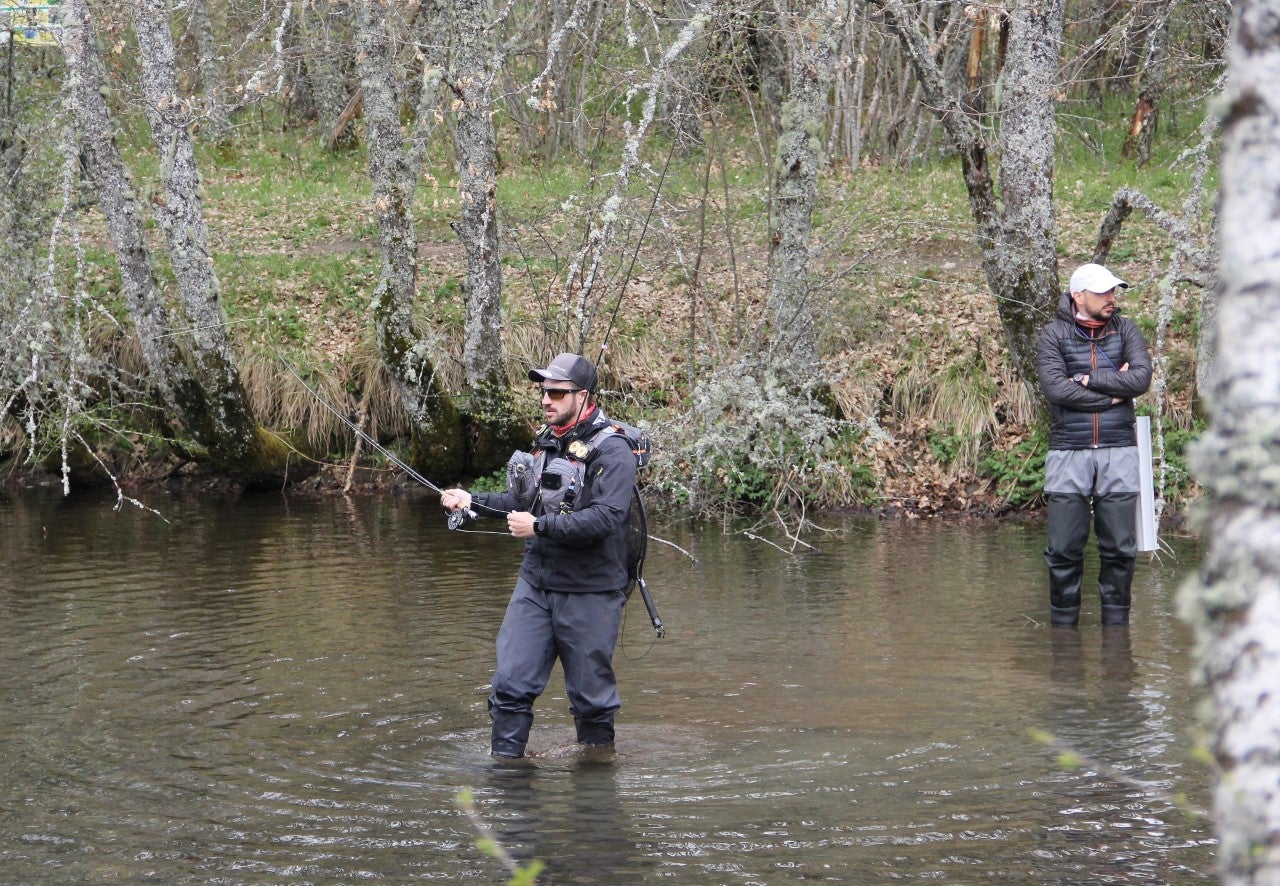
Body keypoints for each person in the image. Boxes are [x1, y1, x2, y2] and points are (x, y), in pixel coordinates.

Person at [441, 353, 637, 759]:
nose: (547, 399)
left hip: (591, 590)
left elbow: (607, 517)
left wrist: (539, 527)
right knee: (509, 686)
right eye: (544, 391)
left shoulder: (614, 451)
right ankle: (506, 775)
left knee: (592, 701)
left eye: (557, 393)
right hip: (535, 586)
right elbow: (521, 503)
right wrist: (470, 500)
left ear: (583, 396)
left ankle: (596, 778)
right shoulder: (546, 442)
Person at [1036, 263, 1152, 628]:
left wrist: (1089, 379)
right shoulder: (1053, 335)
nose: (1111, 298)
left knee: (1119, 548)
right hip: (1068, 451)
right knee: (1063, 550)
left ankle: (1117, 634)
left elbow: (1140, 379)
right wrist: (1114, 394)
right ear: (1079, 296)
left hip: (1120, 449)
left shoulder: (1127, 329)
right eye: (1103, 292)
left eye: (1113, 291)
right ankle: (1063, 634)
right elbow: (1057, 389)